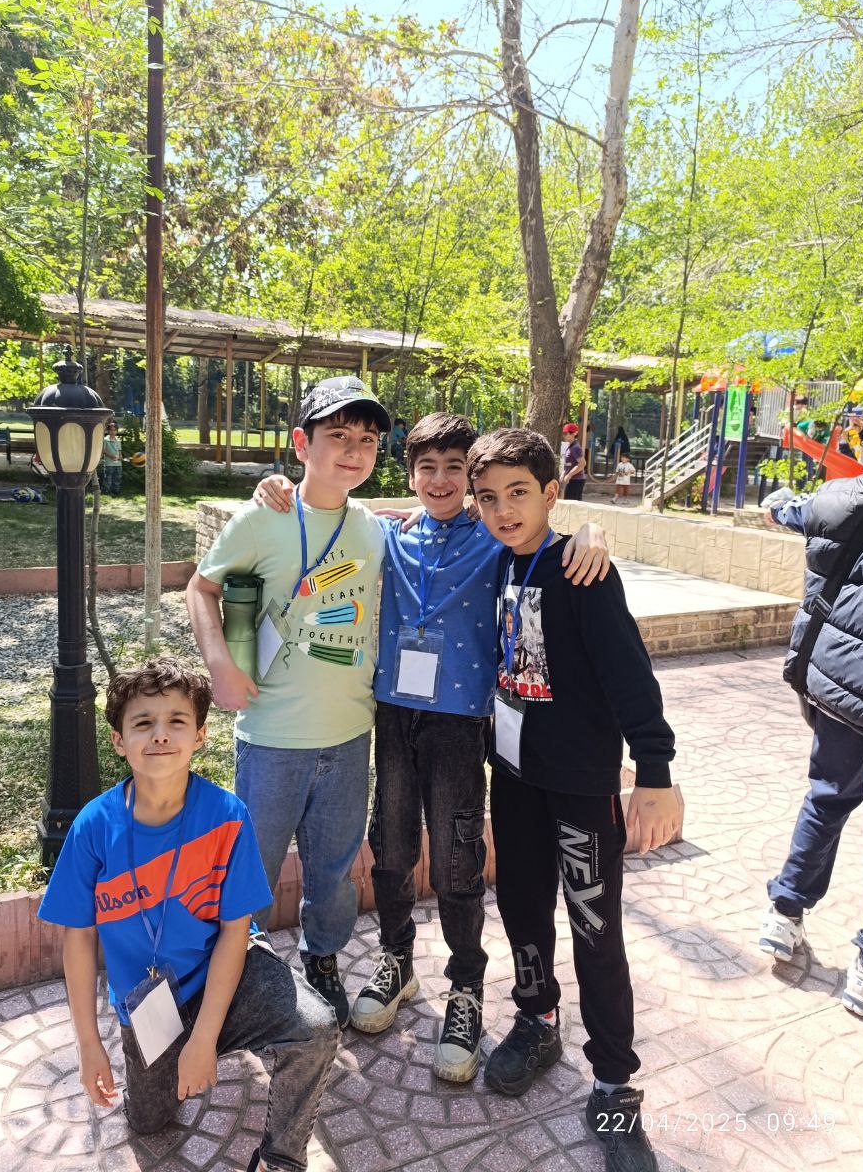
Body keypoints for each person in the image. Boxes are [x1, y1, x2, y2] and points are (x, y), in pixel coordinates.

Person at [251, 413, 612, 1084]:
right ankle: (397, 962)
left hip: (458, 727)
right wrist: (272, 487)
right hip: (391, 716)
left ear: (471, 479)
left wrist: (591, 530)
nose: (440, 480)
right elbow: (323, 521)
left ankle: (465, 986)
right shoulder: (390, 536)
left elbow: (545, 537)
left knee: (455, 860)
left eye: (454, 468)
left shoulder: (494, 540)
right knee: (390, 850)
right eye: (427, 468)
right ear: (410, 475)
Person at [467, 428, 680, 1172]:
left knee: (595, 930)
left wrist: (654, 771)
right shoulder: (496, 559)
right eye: (488, 498)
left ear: (551, 494)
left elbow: (630, 675)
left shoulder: (584, 572)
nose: (503, 510)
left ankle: (615, 1085)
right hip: (514, 779)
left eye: (519, 493)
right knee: (522, 907)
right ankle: (537, 1019)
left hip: (582, 787)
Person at [38, 658, 338, 1172]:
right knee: (149, 1121)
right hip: (150, 1002)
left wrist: (202, 1040)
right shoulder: (94, 827)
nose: (160, 734)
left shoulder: (226, 815)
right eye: (143, 722)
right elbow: (79, 940)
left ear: (199, 735)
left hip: (226, 967)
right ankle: (186, 1051)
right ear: (118, 741)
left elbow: (234, 931)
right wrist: (89, 1045)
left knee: (315, 1028)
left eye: (176, 721)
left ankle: (282, 1158)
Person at [186, 376, 390, 1028]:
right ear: (302, 443)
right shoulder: (261, 518)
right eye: (339, 436)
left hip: (350, 735)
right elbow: (199, 588)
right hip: (272, 738)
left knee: (334, 871)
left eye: (367, 440)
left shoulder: (375, 530)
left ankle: (322, 960)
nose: (353, 451)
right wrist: (220, 666)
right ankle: (240, 971)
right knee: (253, 870)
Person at [758, 452, 863, 1019]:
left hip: (842, 683)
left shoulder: (838, 497)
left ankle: (784, 914)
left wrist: (779, 504)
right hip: (850, 686)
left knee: (827, 798)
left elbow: (785, 510)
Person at [560, 423, 586, 500]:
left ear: (573, 434)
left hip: (576, 480)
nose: (564, 435)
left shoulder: (575, 447)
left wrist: (569, 475)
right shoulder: (570, 446)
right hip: (572, 480)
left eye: (566, 433)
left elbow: (582, 464)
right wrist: (563, 473)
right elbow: (569, 464)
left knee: (571, 504)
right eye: (563, 433)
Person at [100, 419, 123, 495]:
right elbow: (103, 451)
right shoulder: (105, 440)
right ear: (108, 431)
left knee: (117, 477)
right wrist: (111, 456)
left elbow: (119, 450)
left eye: (114, 430)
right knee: (108, 478)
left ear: (117, 431)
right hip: (109, 463)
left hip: (118, 463)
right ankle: (106, 491)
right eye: (111, 430)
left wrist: (120, 456)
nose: (113, 432)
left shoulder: (118, 440)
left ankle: (115, 491)